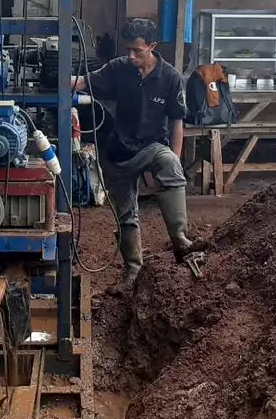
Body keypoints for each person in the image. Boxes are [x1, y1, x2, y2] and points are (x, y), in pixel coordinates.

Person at [71, 19, 207, 293]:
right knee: (126, 215)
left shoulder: (170, 77)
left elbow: (177, 120)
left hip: (151, 146)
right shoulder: (119, 68)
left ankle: (181, 239)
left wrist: (176, 161)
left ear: (152, 47)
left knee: (169, 163)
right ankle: (133, 271)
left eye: (137, 50)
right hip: (119, 152)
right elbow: (84, 82)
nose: (131, 56)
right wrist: (56, 83)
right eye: (128, 50)